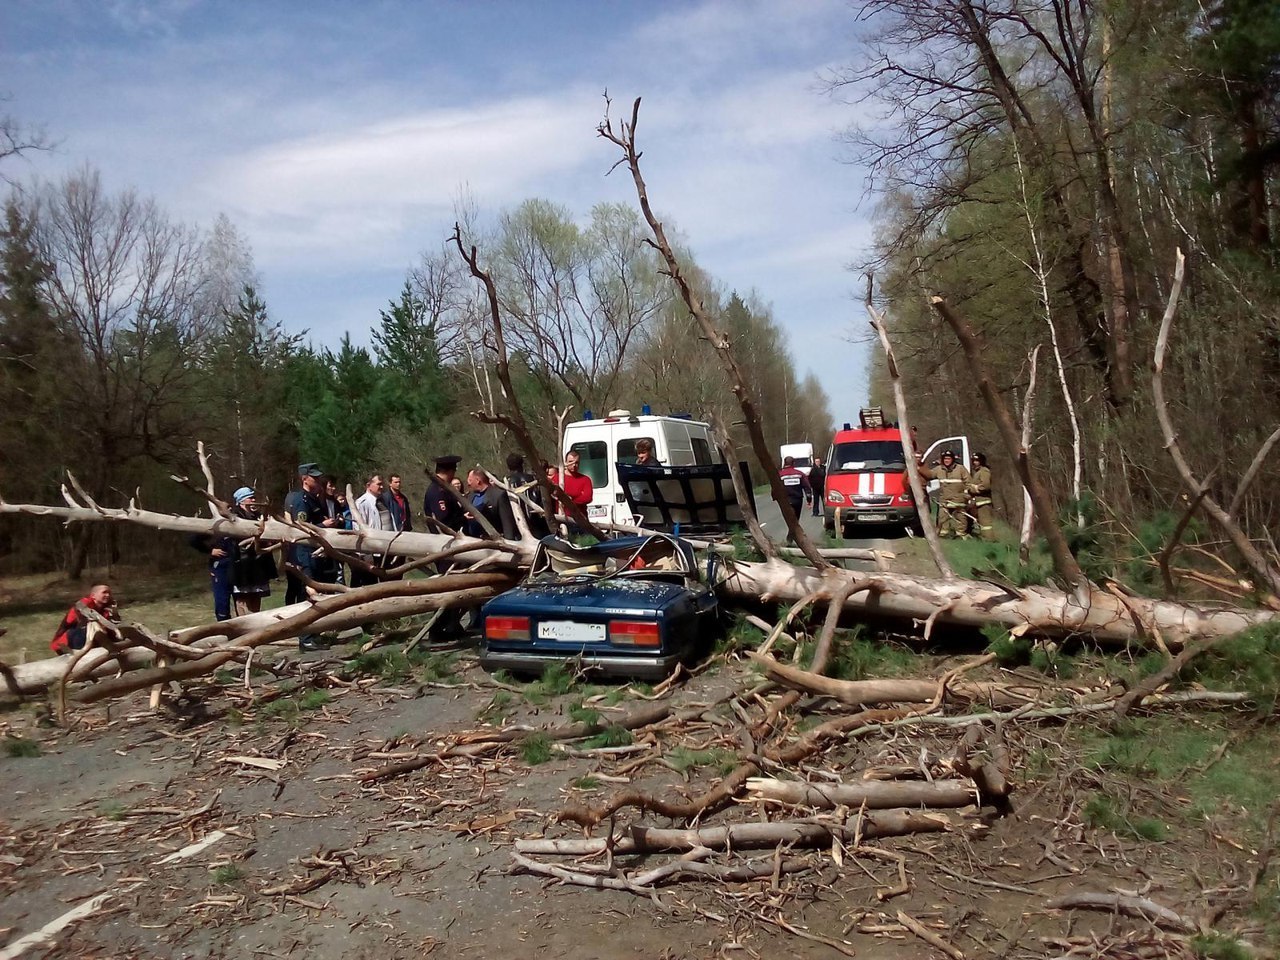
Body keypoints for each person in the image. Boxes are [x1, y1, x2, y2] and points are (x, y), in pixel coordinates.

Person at [285, 462, 344, 650]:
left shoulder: (314, 498)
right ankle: (306, 638)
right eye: (315, 478)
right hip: (305, 554)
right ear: (305, 479)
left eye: (319, 477)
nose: (318, 480)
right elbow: (301, 527)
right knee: (310, 595)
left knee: (321, 592)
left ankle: (315, 633)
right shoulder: (301, 500)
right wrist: (324, 526)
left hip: (317, 554)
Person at [424, 455, 468, 639]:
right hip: (444, 545)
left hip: (451, 544)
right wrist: (463, 518)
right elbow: (443, 520)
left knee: (457, 587)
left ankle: (451, 624)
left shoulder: (444, 489)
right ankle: (437, 629)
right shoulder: (437, 492)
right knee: (448, 587)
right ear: (449, 471)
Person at [228, 487, 277, 616]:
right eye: (250, 498)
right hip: (243, 566)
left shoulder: (259, 517)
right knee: (242, 601)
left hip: (259, 566)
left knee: (256, 599)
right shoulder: (235, 517)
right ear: (241, 501)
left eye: (254, 498)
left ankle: (255, 627)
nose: (254, 500)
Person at [51, 584, 118, 654]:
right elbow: (88, 621)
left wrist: (114, 612)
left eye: (109, 593)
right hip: (67, 640)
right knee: (93, 627)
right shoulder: (84, 603)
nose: (108, 595)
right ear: (93, 596)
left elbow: (113, 623)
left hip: (89, 637)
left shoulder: (106, 608)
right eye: (104, 592)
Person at [352, 474, 391, 587]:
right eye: (378, 484)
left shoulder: (382, 502)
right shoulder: (362, 503)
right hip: (370, 553)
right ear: (369, 485)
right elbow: (359, 529)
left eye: (382, 484)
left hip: (384, 550)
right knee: (369, 584)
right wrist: (366, 555)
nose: (382, 487)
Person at [925, 449, 970, 539]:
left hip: (959, 499)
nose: (947, 460)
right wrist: (919, 466)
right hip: (944, 499)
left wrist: (967, 495)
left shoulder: (960, 468)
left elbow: (968, 482)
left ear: (953, 459)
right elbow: (928, 475)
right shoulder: (939, 469)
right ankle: (943, 534)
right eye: (945, 459)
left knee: (961, 517)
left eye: (949, 458)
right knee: (942, 518)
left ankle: (960, 534)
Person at [467, 467, 519, 540]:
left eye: (470, 480)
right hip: (472, 541)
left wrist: (508, 544)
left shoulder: (499, 495)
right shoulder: (470, 496)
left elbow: (507, 524)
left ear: (478, 481)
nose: (468, 483)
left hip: (493, 542)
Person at [778, 456, 812, 538]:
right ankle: (793, 537)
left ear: (784, 463)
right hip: (797, 500)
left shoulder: (779, 474)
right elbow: (807, 487)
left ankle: (792, 537)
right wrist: (809, 499)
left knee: (790, 520)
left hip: (785, 501)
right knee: (795, 519)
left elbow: (775, 487)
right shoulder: (799, 474)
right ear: (793, 463)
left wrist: (775, 497)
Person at [967, 453, 995, 541]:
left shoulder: (984, 471)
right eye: (974, 461)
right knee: (980, 523)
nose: (975, 463)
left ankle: (989, 540)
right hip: (978, 502)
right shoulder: (977, 472)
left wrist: (974, 489)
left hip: (984, 502)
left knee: (985, 524)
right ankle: (984, 538)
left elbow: (985, 486)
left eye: (977, 461)